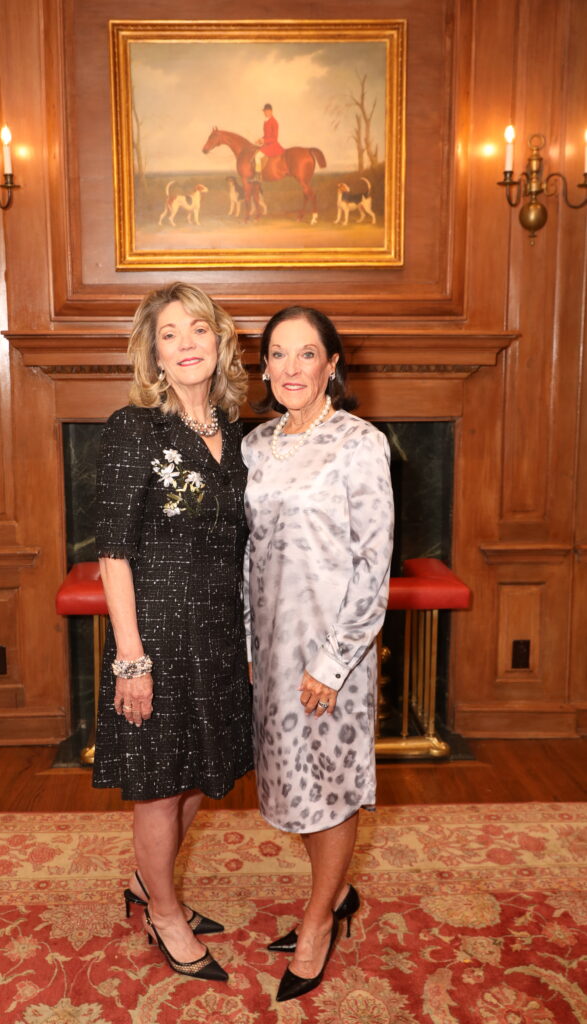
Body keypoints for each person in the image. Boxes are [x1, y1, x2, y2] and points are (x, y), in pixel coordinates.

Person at [93, 282, 253, 983]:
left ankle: (144, 882)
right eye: (169, 333)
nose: (186, 342)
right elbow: (113, 551)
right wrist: (131, 658)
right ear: (152, 354)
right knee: (159, 784)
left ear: (218, 342)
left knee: (193, 779)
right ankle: (163, 912)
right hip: (155, 633)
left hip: (219, 634)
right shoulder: (133, 429)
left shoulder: (241, 434)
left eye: (198, 328)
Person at [242, 306, 394, 1002]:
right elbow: (250, 558)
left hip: (333, 654)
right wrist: (250, 646)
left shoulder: (358, 443)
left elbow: (373, 564)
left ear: (333, 364)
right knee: (290, 782)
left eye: (308, 354)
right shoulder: (257, 445)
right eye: (279, 354)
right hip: (272, 650)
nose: (293, 368)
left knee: (328, 784)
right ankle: (334, 894)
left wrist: (331, 665)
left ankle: (316, 919)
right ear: (264, 367)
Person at [253, 102, 284, 179]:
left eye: (266, 111)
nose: (265, 113)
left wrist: (264, 141)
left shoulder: (274, 122)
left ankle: (258, 177)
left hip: (272, 145)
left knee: (257, 156)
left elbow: (274, 138)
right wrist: (260, 140)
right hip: (267, 144)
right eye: (264, 111)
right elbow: (266, 136)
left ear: (271, 111)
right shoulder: (266, 122)